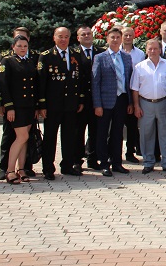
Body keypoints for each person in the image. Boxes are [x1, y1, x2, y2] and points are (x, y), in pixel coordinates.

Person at [38, 27, 85, 180]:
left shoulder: (76, 55)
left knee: (69, 136)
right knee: (50, 137)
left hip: (71, 104)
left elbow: (80, 79)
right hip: (53, 105)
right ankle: (48, 168)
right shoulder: (46, 56)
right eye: (60, 36)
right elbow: (41, 83)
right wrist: (42, 105)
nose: (63, 39)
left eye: (66, 36)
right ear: (54, 38)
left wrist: (81, 99)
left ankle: (67, 165)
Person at [0, 35, 39, 184]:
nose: (22, 48)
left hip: (29, 106)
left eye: (25, 46)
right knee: (22, 137)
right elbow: (3, 85)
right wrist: (9, 107)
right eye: (19, 46)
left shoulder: (29, 61)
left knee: (25, 139)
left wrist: (36, 106)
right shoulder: (7, 61)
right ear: (13, 47)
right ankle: (9, 170)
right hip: (16, 106)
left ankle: (21, 169)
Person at [91, 27, 134, 177]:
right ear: (107, 39)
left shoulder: (126, 57)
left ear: (121, 39)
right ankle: (104, 163)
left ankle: (117, 162)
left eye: (118, 37)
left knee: (117, 132)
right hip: (105, 101)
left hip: (121, 99)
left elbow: (129, 80)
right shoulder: (100, 57)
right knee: (102, 133)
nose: (115, 40)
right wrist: (97, 104)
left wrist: (130, 102)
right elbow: (95, 82)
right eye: (112, 37)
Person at [130, 38, 166, 175]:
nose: (153, 51)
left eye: (155, 48)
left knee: (165, 134)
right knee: (146, 134)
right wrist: (136, 106)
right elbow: (135, 89)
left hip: (164, 103)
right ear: (146, 50)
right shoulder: (139, 67)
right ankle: (148, 162)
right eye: (150, 49)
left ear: (160, 50)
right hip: (145, 103)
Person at [76, 25, 103, 171]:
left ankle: (93, 159)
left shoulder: (101, 52)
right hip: (81, 100)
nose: (87, 36)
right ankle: (77, 160)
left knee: (95, 131)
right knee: (78, 131)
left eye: (89, 34)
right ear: (78, 38)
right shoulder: (73, 54)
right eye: (83, 34)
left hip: (96, 99)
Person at [121, 26, 145, 164]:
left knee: (132, 125)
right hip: (119, 92)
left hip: (134, 92)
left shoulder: (140, 54)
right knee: (116, 126)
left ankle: (130, 152)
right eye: (125, 35)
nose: (128, 37)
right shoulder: (116, 52)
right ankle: (114, 153)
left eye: (130, 35)